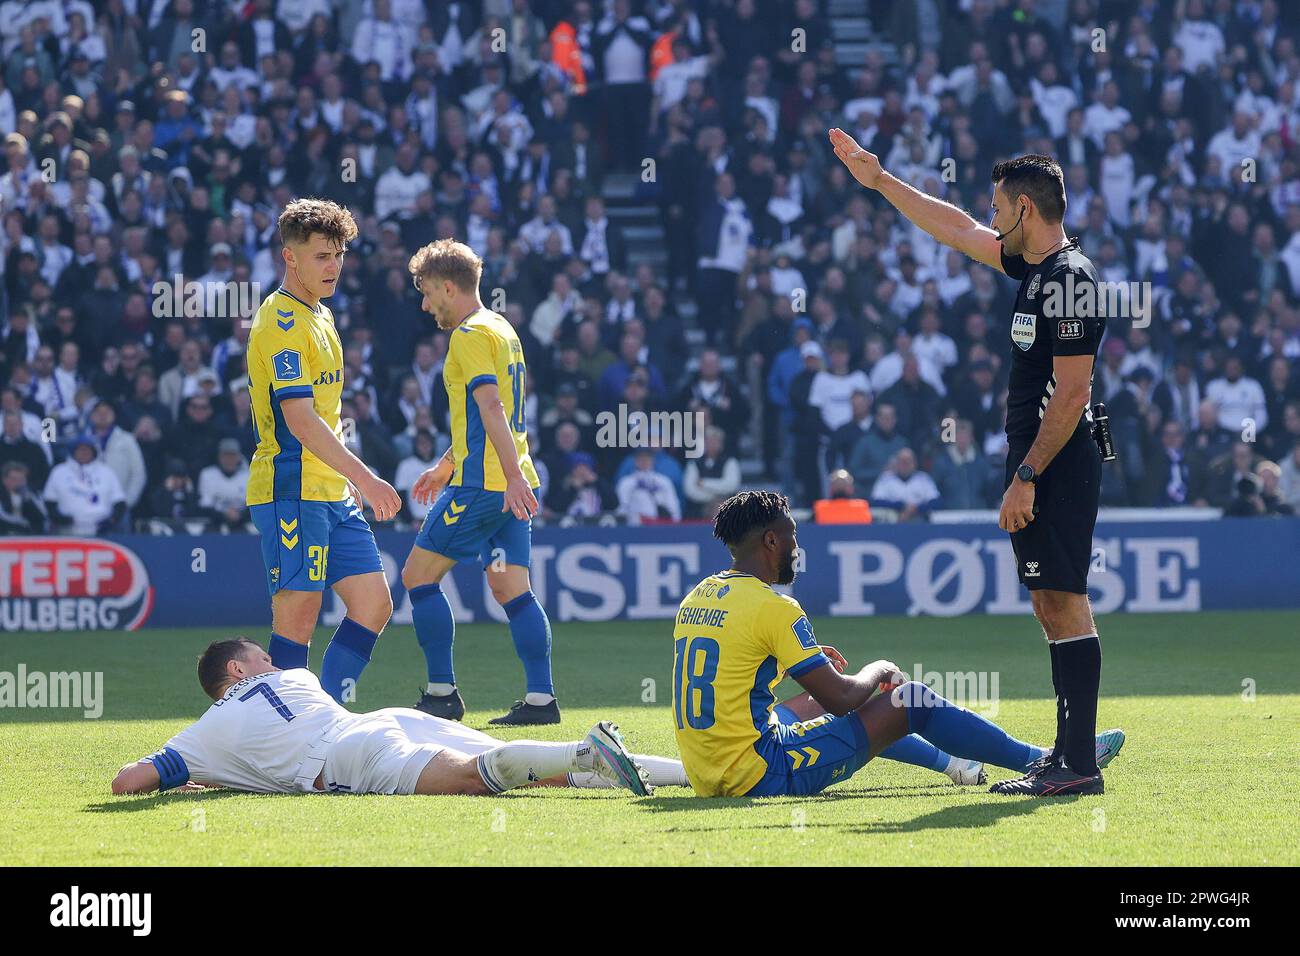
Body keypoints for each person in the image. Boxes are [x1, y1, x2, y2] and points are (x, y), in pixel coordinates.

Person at [830, 130, 1111, 796]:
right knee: (1050, 603)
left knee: (1066, 605)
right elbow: (954, 230)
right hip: (1042, 459)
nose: (988, 217)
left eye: (996, 205)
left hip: (1059, 463)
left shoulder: (1069, 280)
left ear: (1024, 209)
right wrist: (882, 181)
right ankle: (1067, 756)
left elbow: (1073, 392)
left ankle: (1078, 766)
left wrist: (1028, 475)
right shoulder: (1035, 268)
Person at [671, 491, 1125, 798]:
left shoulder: (700, 595)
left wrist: (790, 662)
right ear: (771, 540)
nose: (795, 545)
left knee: (819, 702)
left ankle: (963, 765)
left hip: (706, 770)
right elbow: (845, 699)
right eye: (792, 534)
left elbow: (732, 668)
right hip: (758, 773)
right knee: (905, 698)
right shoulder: (776, 607)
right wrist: (879, 669)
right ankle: (1043, 760)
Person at [110, 638, 681, 798]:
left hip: (345, 757)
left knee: (473, 775)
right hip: (385, 720)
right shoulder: (297, 678)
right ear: (239, 669)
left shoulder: (205, 733)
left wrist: (188, 776)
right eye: (261, 654)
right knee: (515, 766)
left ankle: (586, 752)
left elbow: (129, 782)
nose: (271, 659)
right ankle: (683, 772)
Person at [245, 198, 402, 705]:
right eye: (321, 256)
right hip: (290, 485)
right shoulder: (280, 322)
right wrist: (368, 477)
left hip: (330, 490)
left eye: (339, 254)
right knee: (299, 612)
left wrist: (349, 480)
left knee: (373, 604)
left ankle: (325, 713)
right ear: (290, 257)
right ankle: (279, 732)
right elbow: (300, 420)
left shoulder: (322, 315)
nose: (334, 266)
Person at [401, 239, 556, 726]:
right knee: (513, 589)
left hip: (485, 488)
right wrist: (448, 462)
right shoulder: (502, 328)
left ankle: (442, 694)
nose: (426, 305)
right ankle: (540, 700)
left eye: (427, 293)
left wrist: (505, 477)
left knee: (417, 577)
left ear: (449, 286)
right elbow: (489, 415)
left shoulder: (467, 335)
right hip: (509, 484)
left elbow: (491, 408)